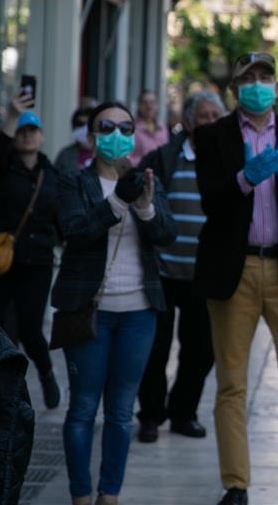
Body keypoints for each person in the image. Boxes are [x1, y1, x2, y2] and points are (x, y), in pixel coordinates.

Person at [194, 52, 278, 505]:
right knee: (231, 383)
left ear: (276, 84)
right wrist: (243, 179)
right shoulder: (213, 135)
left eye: (264, 77)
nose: (257, 84)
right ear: (235, 88)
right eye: (248, 78)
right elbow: (210, 201)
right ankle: (236, 484)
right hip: (234, 270)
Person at [52, 102, 177, 505]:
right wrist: (117, 204)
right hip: (90, 313)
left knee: (122, 413)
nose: (117, 134)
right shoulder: (74, 181)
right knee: (84, 409)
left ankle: (110, 495)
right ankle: (80, 496)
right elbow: (74, 232)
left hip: (139, 314)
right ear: (91, 135)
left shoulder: (146, 179)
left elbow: (166, 234)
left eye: (126, 127)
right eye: (107, 126)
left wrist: (144, 205)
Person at [135, 90, 224, 443]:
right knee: (154, 350)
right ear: (187, 121)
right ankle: (151, 415)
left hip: (205, 275)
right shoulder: (163, 157)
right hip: (163, 271)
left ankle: (184, 412)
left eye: (215, 116)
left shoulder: (228, 160)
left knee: (201, 350)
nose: (210, 123)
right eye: (203, 116)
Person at [0, 93, 61, 409]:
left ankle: (45, 372)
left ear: (41, 136)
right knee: (0, 327)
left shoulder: (53, 176)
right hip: (1, 262)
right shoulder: (3, 169)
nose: (27, 135)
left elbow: (62, 217)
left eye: (32, 130)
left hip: (38, 262)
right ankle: (7, 392)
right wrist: (13, 117)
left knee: (31, 330)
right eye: (22, 131)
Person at [129, 90, 170, 164]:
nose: (149, 106)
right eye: (145, 102)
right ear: (139, 105)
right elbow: (128, 158)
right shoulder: (131, 129)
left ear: (156, 105)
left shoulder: (163, 128)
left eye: (152, 102)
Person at [55, 101, 97, 172]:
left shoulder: (105, 154)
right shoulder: (65, 155)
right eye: (80, 124)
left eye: (89, 124)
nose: (85, 128)